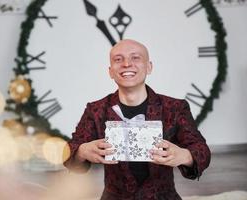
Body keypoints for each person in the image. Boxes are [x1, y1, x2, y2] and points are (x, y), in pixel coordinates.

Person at [64, 39, 211, 200]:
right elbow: (70, 150)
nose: (127, 64)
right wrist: (82, 151)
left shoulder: (175, 107)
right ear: (110, 71)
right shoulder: (96, 110)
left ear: (149, 67)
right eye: (118, 59)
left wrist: (185, 156)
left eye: (135, 57)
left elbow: (201, 149)